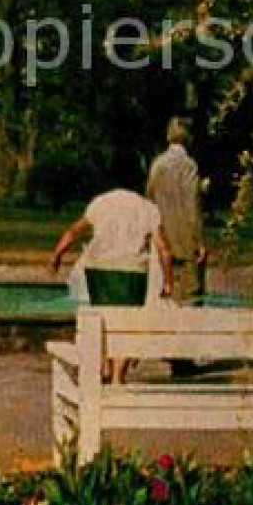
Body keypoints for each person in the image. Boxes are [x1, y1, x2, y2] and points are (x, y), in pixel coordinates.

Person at [49, 188, 173, 382]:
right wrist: (167, 281)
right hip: (133, 271)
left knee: (103, 319)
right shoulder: (148, 208)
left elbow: (73, 232)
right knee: (127, 326)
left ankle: (105, 366)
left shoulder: (101, 202)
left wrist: (57, 254)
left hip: (99, 269)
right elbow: (164, 248)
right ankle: (117, 377)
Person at [147, 118, 207, 303]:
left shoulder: (157, 164)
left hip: (161, 238)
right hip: (184, 240)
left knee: (163, 294)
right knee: (190, 296)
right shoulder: (189, 165)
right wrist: (199, 241)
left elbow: (149, 199)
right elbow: (192, 205)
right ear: (189, 137)